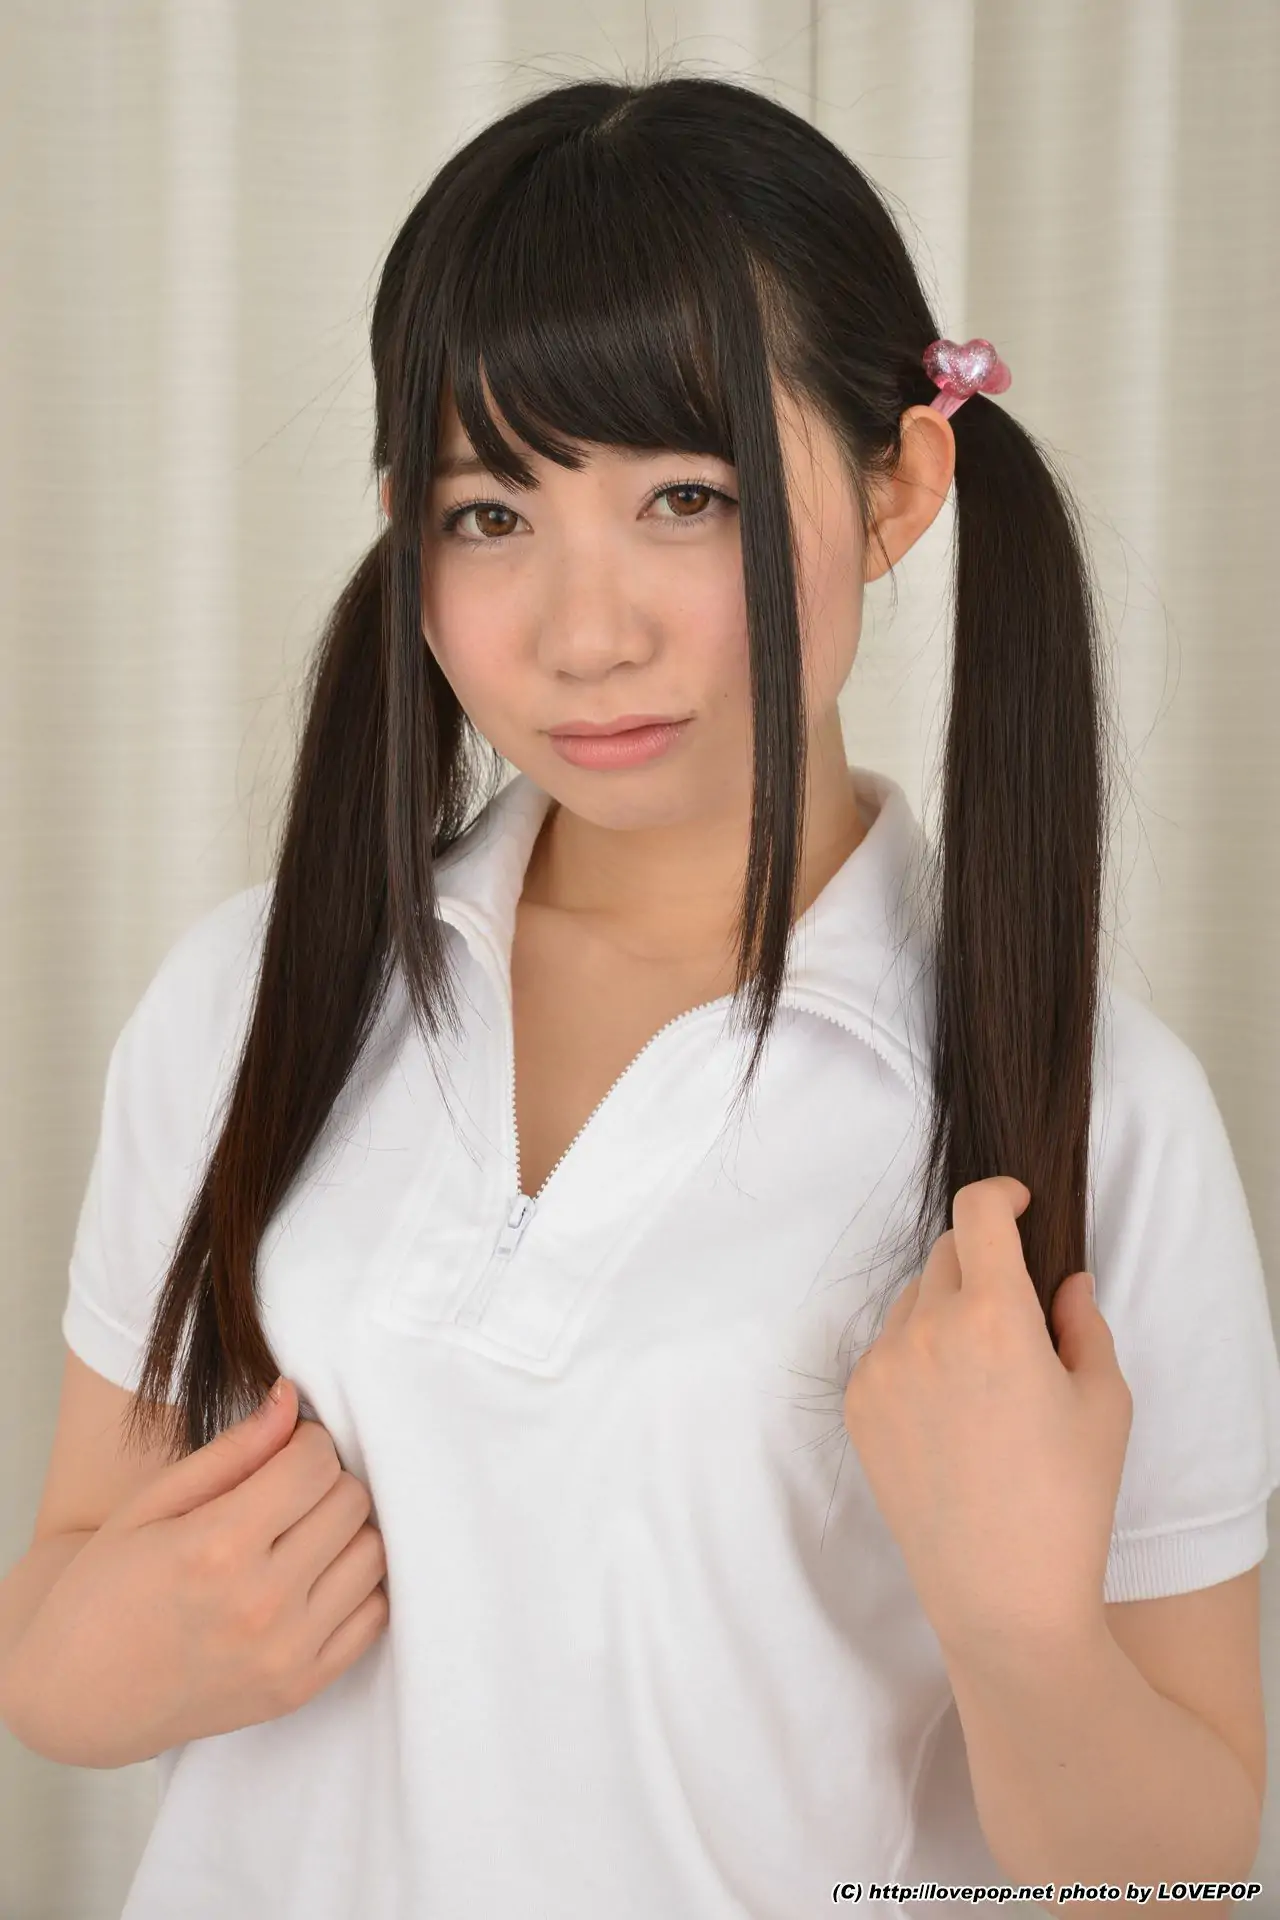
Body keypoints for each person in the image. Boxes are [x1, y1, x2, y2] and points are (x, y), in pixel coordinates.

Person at [2, 68, 1278, 1919]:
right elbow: (56, 1615)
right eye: (490, 515)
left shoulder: (1096, 1115)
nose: (584, 633)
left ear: (902, 483)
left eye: (688, 497)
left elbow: (1179, 1854)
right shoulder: (251, 1001)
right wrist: (108, 1657)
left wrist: (1021, 1635)